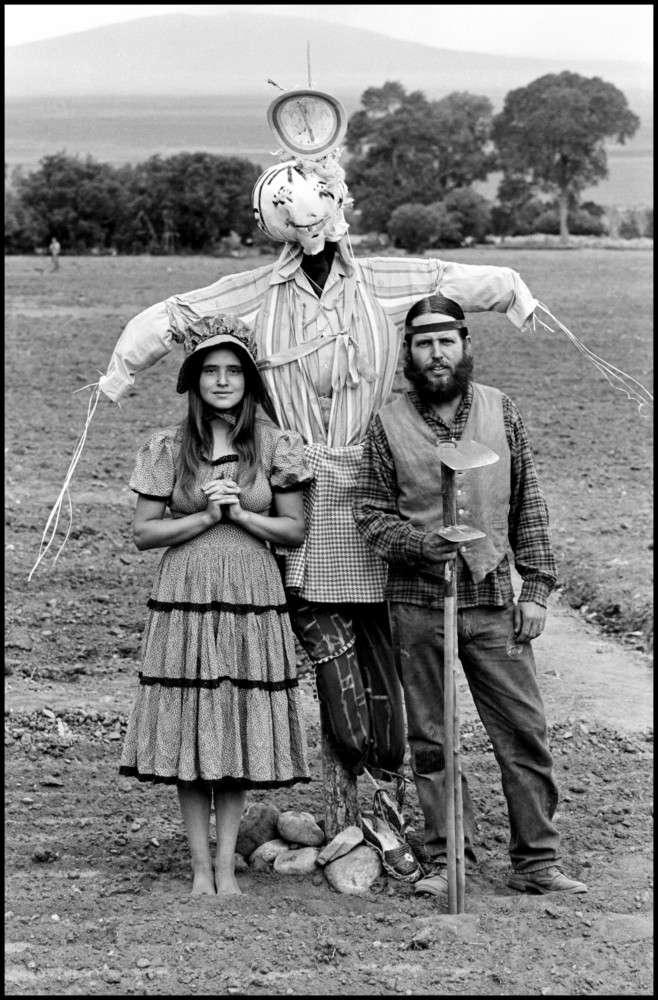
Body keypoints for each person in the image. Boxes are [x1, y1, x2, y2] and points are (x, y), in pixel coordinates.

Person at [97, 157, 539, 794]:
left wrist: (518, 297)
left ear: (337, 213)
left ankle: (387, 805)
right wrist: (119, 373)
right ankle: (351, 788)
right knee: (332, 658)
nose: (314, 237)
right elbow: (173, 316)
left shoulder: (384, 279)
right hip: (300, 487)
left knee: (390, 652)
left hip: (377, 486)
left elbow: (458, 280)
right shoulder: (256, 291)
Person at [353, 294, 588, 897]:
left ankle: (536, 861)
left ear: (464, 345)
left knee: (523, 730)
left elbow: (527, 502)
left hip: (492, 599)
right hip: (418, 603)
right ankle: (446, 859)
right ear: (409, 353)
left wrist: (536, 588)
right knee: (432, 739)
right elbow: (371, 515)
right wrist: (419, 544)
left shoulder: (500, 410)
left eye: (446, 342)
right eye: (423, 344)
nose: (436, 354)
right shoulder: (386, 424)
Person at [119, 314, 313, 897]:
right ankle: (200, 868)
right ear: (194, 380)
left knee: (234, 721)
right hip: (186, 594)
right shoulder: (169, 446)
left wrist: (241, 515)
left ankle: (227, 867)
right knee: (191, 723)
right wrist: (205, 516)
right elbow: (143, 533)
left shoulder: (274, 444)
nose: (222, 381)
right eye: (210, 371)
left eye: (233, 370)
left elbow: (294, 530)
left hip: (251, 593)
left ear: (249, 380)